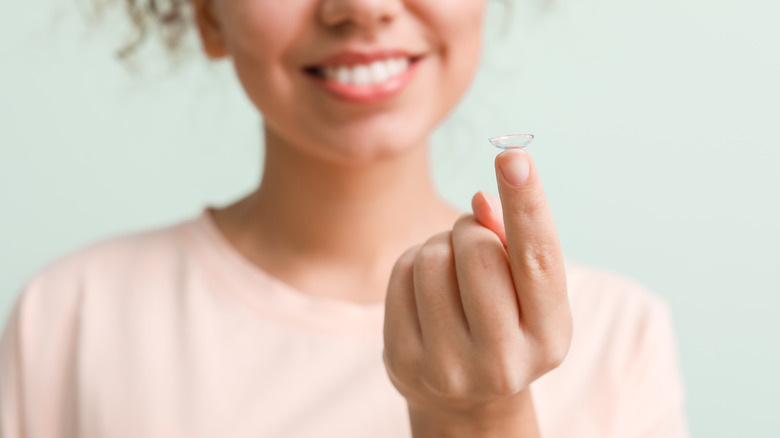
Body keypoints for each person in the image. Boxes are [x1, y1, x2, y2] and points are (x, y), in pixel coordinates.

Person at [0, 0, 688, 436]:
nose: (362, 9)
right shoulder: (70, 318)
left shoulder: (618, 337)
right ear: (209, 16)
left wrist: (479, 420)